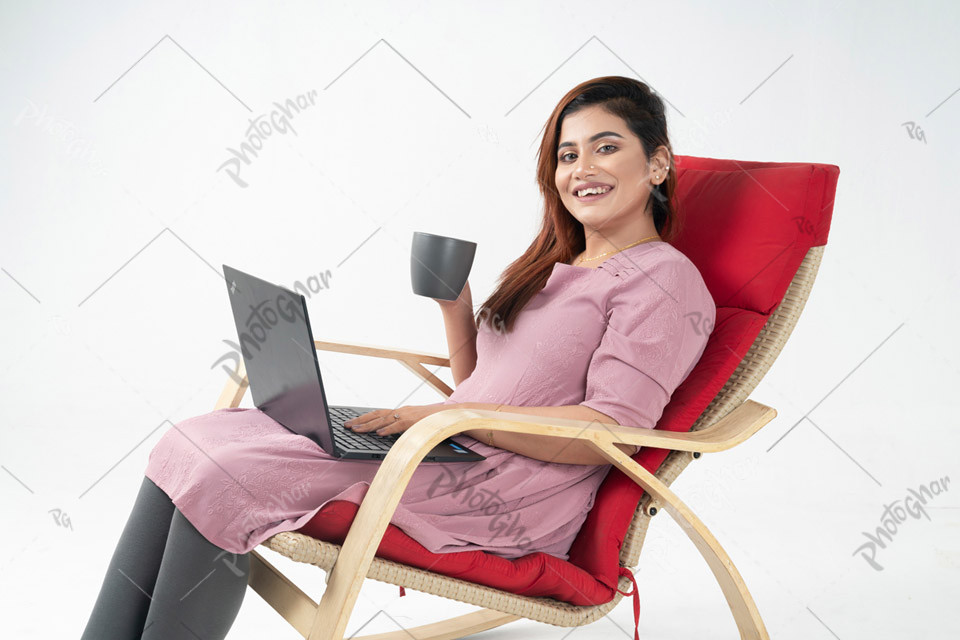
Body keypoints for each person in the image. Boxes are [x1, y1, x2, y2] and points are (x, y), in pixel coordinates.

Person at [80, 75, 716, 639]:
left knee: (227, 476)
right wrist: (455, 308)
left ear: (657, 164)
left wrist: (448, 424)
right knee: (191, 443)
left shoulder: (661, 282)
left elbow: (610, 433)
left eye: (606, 147)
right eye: (567, 154)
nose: (581, 169)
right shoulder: (556, 266)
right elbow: (482, 385)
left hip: (504, 494)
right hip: (450, 447)